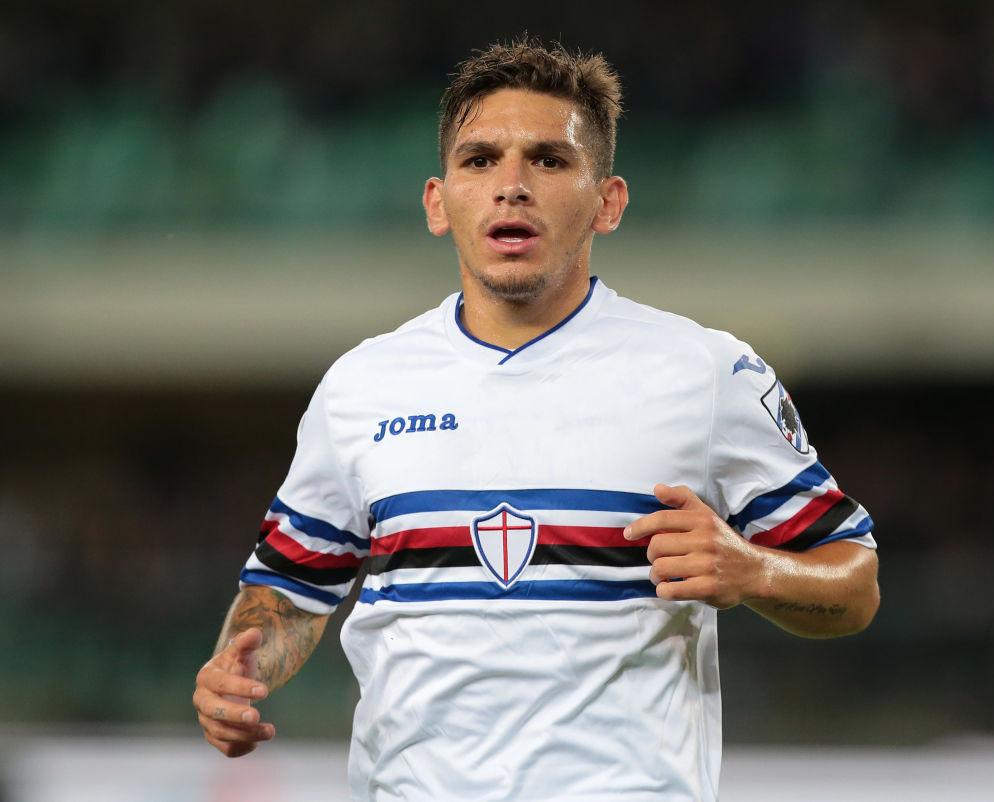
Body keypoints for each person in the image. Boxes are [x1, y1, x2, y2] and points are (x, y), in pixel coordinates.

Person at [193, 38, 879, 802]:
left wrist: (753, 570)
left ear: (608, 202)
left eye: (549, 160)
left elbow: (854, 584)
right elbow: (288, 589)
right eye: (480, 159)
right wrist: (236, 670)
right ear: (437, 202)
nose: (511, 187)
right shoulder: (362, 386)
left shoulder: (704, 372)